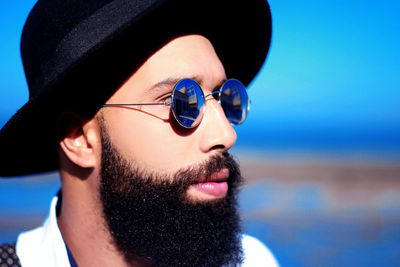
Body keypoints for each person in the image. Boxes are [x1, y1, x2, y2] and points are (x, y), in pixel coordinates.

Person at [0, 0, 279, 266]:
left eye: (224, 97)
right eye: (181, 100)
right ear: (80, 139)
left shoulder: (254, 260)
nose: (226, 134)